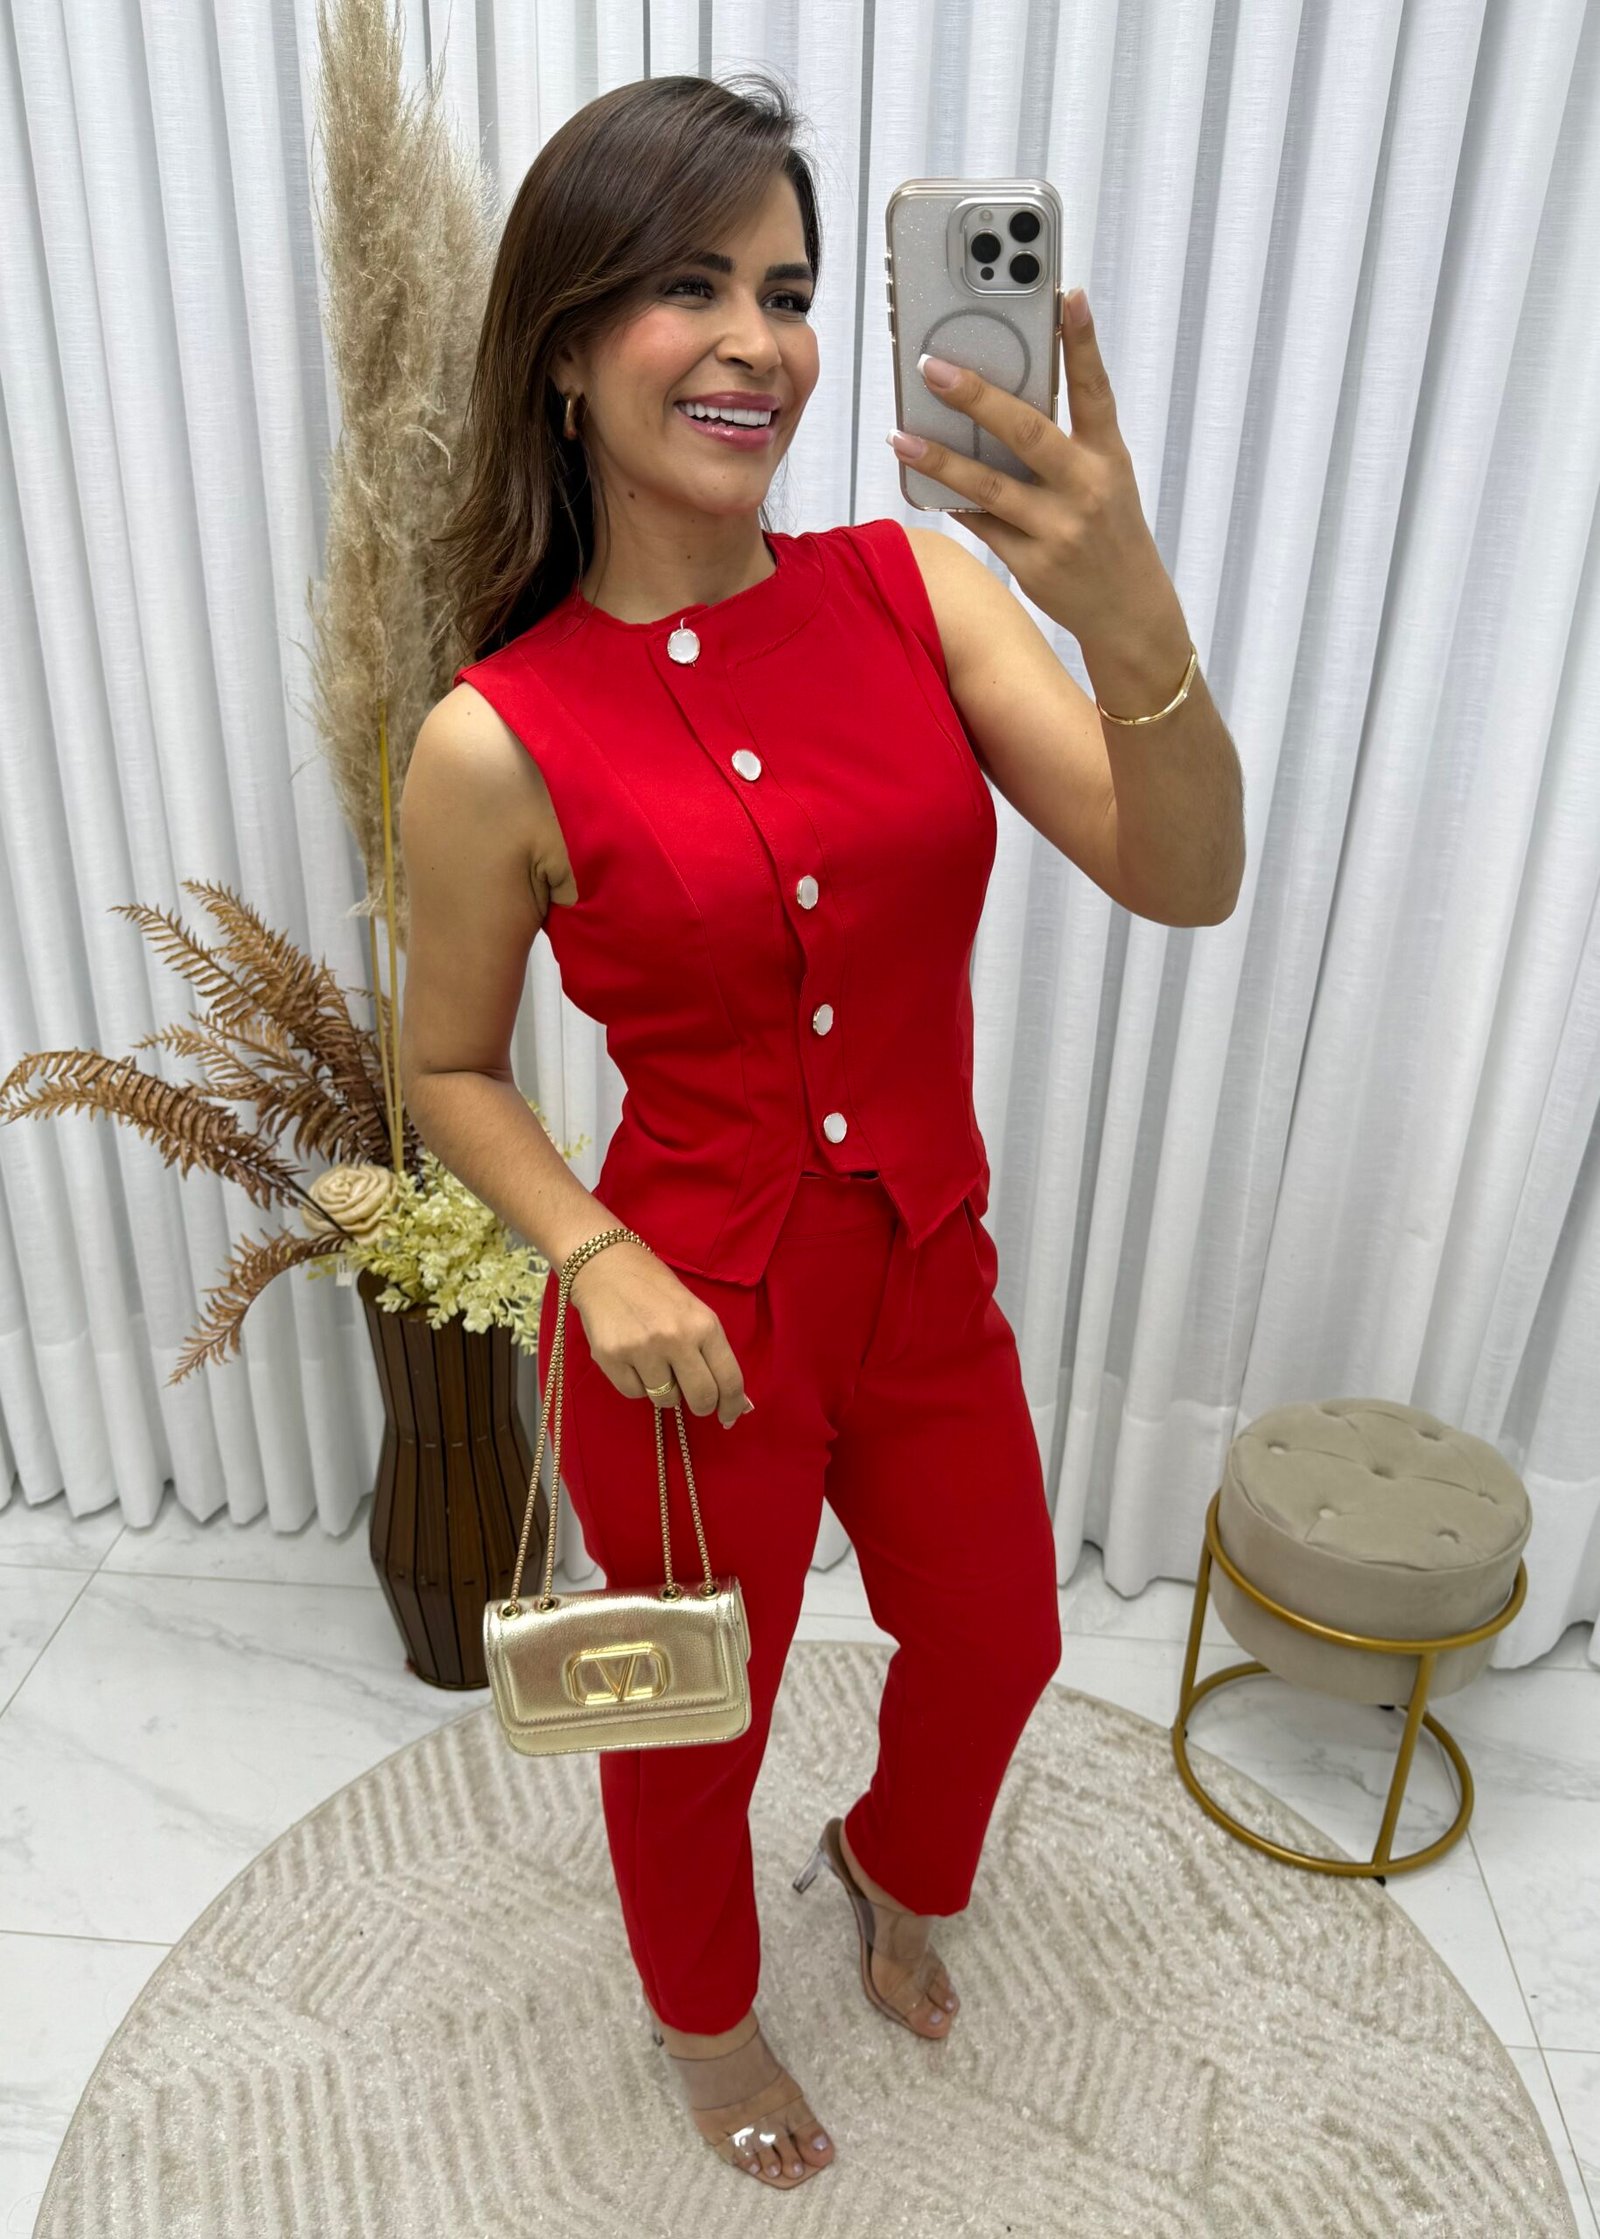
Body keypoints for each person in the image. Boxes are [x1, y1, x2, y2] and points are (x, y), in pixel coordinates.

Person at [400, 71, 1077, 2192]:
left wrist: (1121, 579)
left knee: (1003, 1632)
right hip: (685, 1323)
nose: (754, 340)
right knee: (691, 1705)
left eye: (786, 293)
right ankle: (702, 2014)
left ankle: (888, 1858)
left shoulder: (910, 591)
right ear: (563, 344)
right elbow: (446, 1067)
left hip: (927, 1270)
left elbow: (1182, 863)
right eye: (686, 285)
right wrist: (594, 1258)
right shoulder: (494, 733)